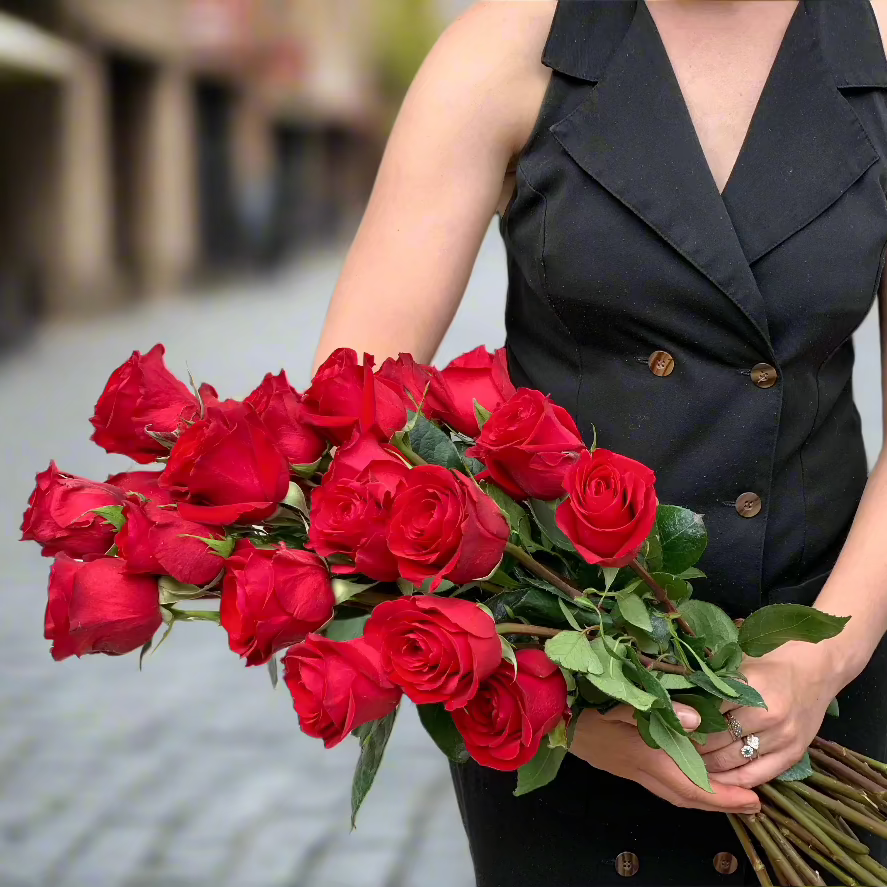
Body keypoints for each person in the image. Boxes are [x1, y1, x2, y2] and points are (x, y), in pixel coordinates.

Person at [312, 1, 887, 883]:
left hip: (828, 670)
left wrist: (822, 661)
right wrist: (566, 705)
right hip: (552, 681)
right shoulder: (502, 50)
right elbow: (351, 419)